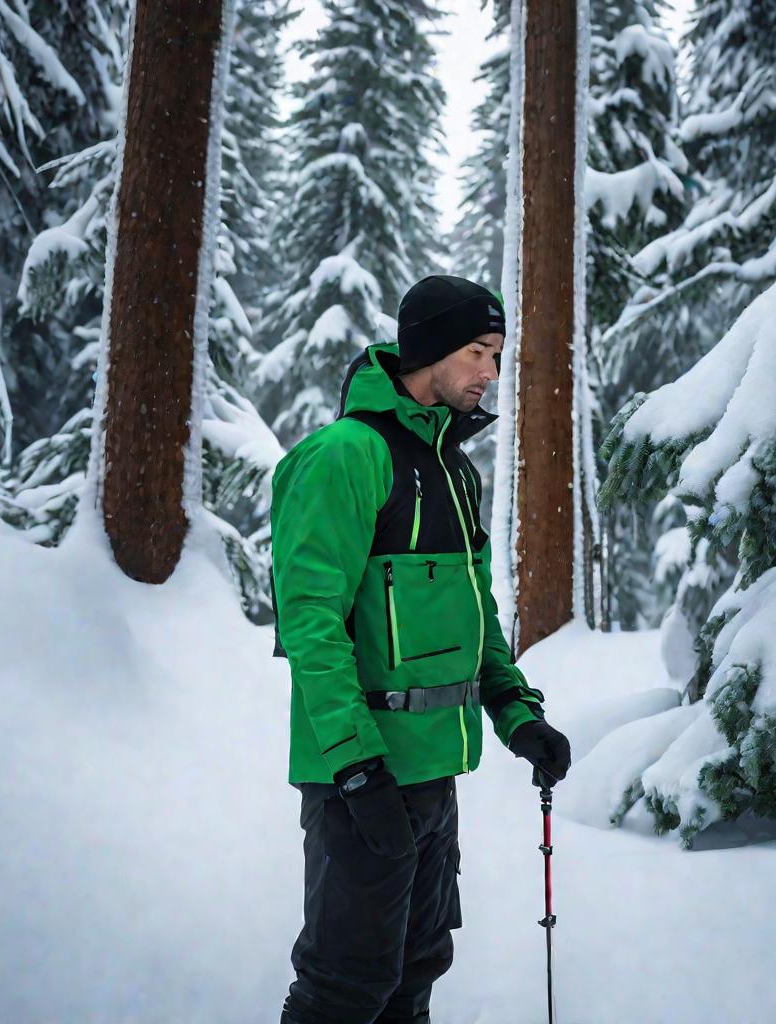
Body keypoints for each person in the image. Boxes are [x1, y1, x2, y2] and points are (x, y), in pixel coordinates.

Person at [270, 274, 573, 1024]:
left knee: (414, 976)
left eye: (497, 354)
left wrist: (517, 714)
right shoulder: (346, 455)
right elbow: (310, 621)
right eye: (477, 351)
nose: (490, 373)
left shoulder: (453, 470)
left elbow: (476, 615)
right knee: (345, 988)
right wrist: (356, 766)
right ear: (429, 350)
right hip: (362, 779)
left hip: (433, 776)